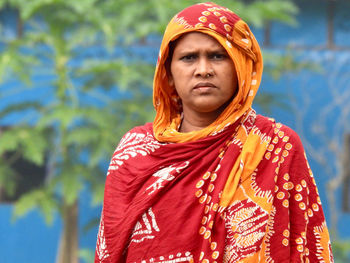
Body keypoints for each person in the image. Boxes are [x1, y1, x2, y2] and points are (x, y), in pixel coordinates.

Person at [95, 2, 333, 263]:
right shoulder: (135, 152)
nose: (203, 69)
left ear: (240, 66)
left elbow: (306, 247)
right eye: (188, 57)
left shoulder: (276, 146)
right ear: (168, 73)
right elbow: (112, 249)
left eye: (218, 56)